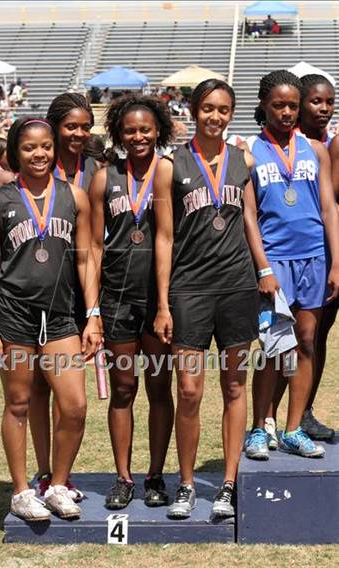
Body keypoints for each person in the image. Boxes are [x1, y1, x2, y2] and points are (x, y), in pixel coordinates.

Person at [153, 79, 272, 519]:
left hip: (237, 286)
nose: (215, 117)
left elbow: (250, 221)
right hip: (189, 289)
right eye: (207, 108)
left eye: (223, 109)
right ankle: (185, 483)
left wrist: (263, 270)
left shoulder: (242, 159)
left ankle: (227, 483)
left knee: (235, 385)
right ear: (192, 110)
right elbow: (164, 237)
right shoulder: (171, 165)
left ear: (231, 113)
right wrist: (164, 302)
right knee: (188, 390)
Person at [0, 116, 102, 520]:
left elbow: (86, 260)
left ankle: (58, 485)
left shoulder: (75, 196)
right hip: (14, 314)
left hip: (62, 316)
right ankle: (20, 491)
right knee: (17, 402)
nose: (40, 154)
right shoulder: (1, 200)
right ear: (16, 152)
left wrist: (93, 315)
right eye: (30, 147)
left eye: (46, 146)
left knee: (75, 405)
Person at [244, 70, 339, 461]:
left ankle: (293, 427)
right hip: (275, 261)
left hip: (314, 257)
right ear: (264, 106)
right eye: (279, 105)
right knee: (271, 348)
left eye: (292, 106)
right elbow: (249, 214)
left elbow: (329, 207)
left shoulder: (315, 150)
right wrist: (263, 268)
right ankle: (258, 428)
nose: (286, 112)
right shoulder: (249, 151)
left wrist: (337, 262)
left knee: (305, 343)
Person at [89, 93, 175, 510]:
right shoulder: (106, 178)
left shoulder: (171, 172)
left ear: (158, 129)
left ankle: (155, 474)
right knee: (124, 389)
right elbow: (91, 247)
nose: (138, 136)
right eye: (130, 130)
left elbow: (169, 237)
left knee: (160, 387)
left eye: (145, 129)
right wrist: (93, 309)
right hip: (117, 300)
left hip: (158, 299)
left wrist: (164, 304)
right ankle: (123, 477)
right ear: (118, 134)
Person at [27, 93, 102, 502]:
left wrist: (94, 305)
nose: (79, 133)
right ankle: (42, 471)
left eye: (85, 126)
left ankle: (61, 475)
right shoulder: (37, 165)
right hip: (39, 290)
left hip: (82, 289)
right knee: (39, 386)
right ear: (56, 126)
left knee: (70, 390)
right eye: (71, 126)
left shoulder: (95, 168)